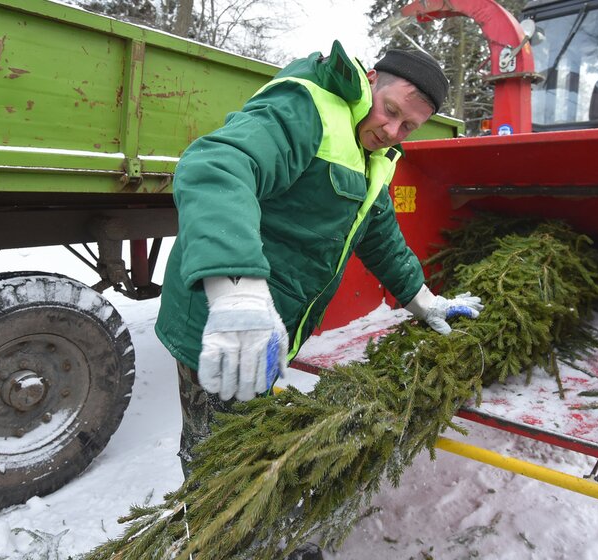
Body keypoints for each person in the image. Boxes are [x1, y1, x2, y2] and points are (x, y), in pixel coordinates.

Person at [155, 41, 484, 481]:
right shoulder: (307, 108)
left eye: (408, 126)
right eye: (389, 110)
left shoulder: (375, 156)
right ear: (370, 82)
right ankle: (207, 535)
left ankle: (251, 534)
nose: (391, 131)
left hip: (269, 325)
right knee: (215, 456)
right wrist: (237, 291)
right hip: (221, 321)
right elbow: (217, 166)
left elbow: (380, 235)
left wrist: (424, 301)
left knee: (247, 441)